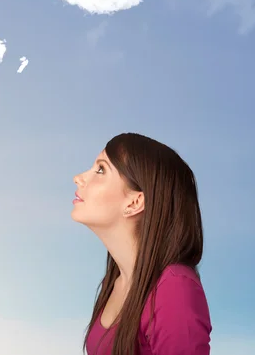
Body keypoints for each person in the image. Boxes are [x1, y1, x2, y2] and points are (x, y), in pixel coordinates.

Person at [72, 133, 211, 355]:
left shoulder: (175, 289)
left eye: (101, 170)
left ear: (135, 202)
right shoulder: (115, 282)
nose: (78, 178)